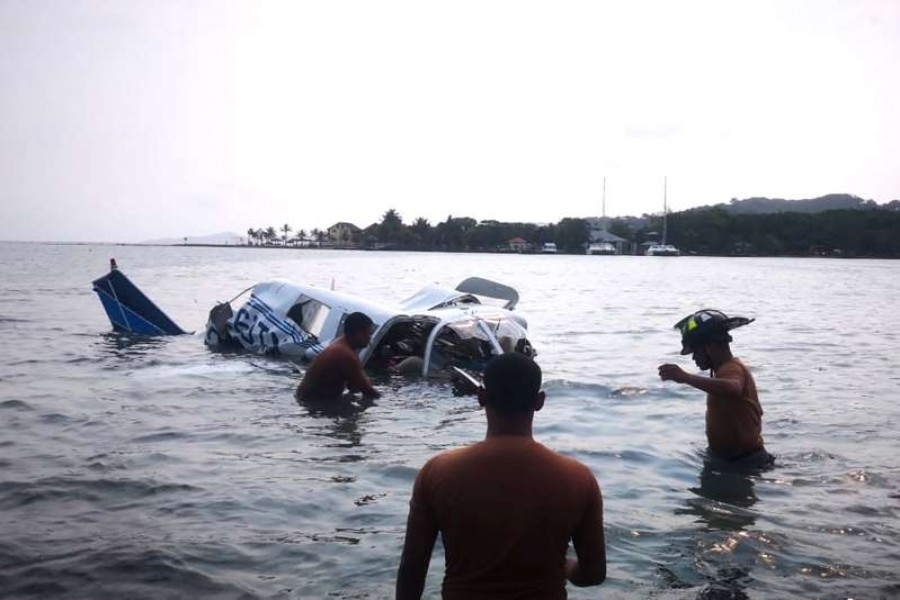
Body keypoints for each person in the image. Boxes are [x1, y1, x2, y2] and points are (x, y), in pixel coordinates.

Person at [396, 353, 606, 600]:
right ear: (539, 402)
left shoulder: (438, 472)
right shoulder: (577, 478)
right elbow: (593, 574)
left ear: (481, 397)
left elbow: (412, 572)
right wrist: (566, 565)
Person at [658, 309, 773, 465]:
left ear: (710, 346)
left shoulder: (731, 368)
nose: (693, 357)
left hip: (745, 463)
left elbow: (734, 387)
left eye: (695, 351)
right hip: (730, 460)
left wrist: (686, 377)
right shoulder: (721, 372)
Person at [295, 312, 381, 403]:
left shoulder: (341, 343)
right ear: (358, 332)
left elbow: (354, 387)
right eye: (368, 334)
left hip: (308, 399)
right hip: (314, 404)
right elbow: (369, 391)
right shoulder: (345, 355)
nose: (370, 339)